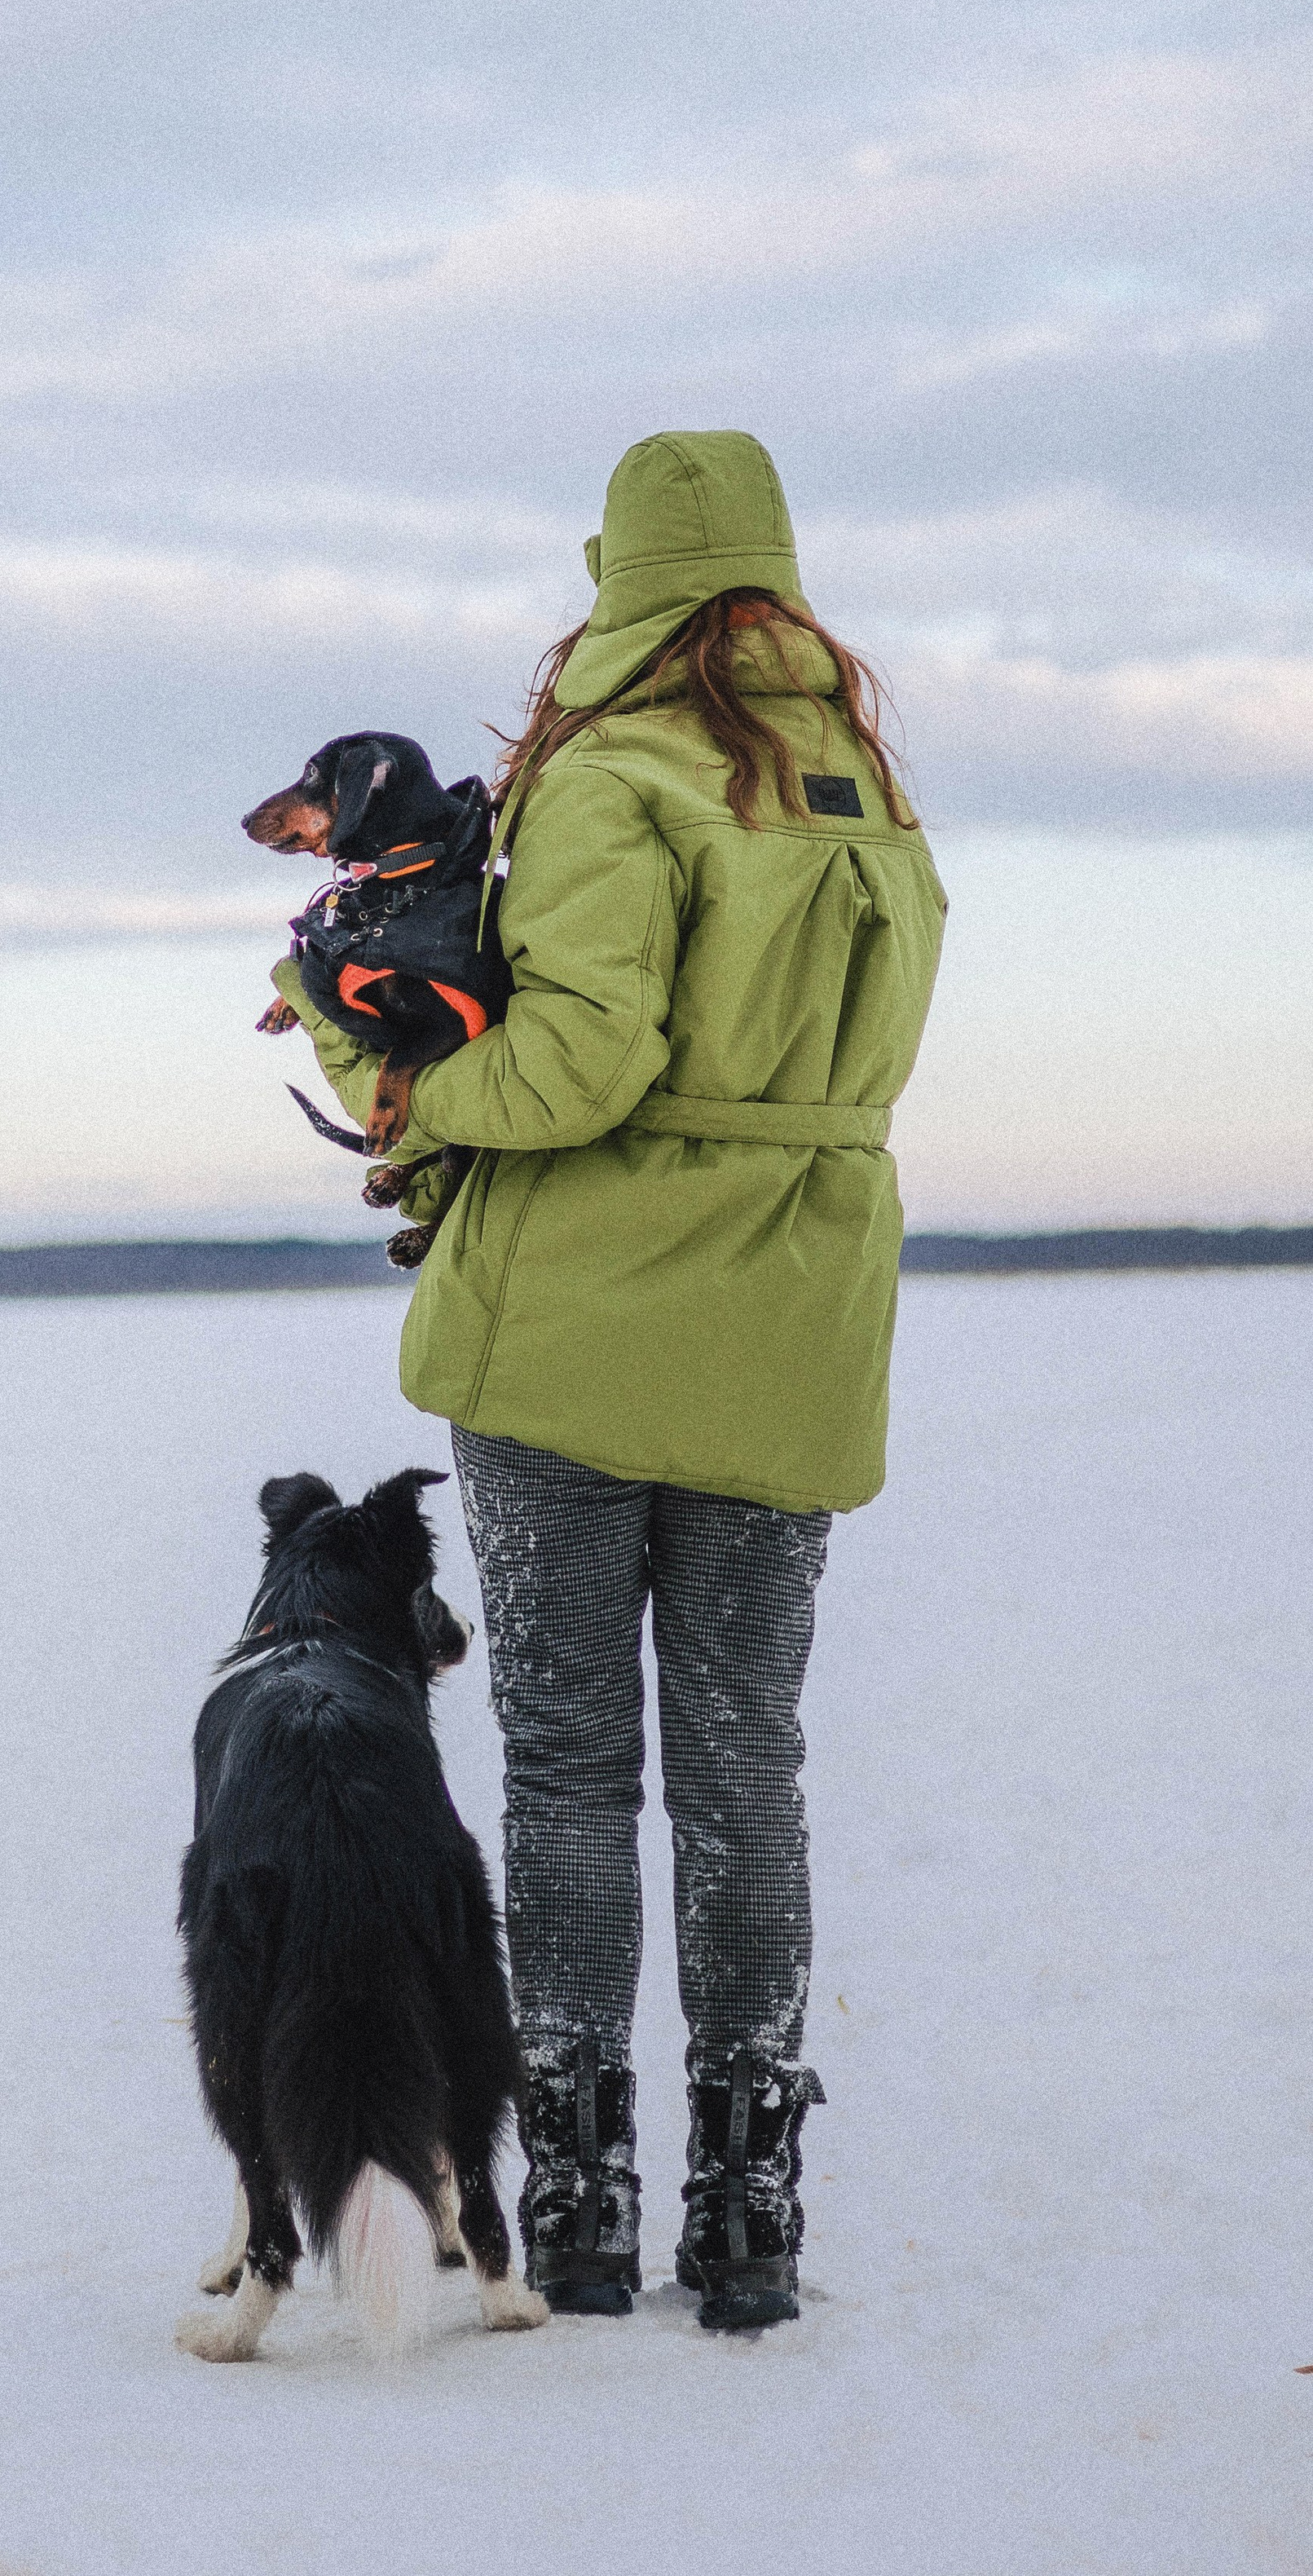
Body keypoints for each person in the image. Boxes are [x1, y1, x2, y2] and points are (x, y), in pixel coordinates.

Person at [270, 429, 946, 2332]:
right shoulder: (863, 795)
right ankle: (749, 2213)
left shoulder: (613, 774)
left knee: (568, 1765)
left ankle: (573, 2197)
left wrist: (389, 1077)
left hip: (573, 1328)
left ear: (622, 584)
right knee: (746, 1768)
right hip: (795, 1318)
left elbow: (568, 1066)